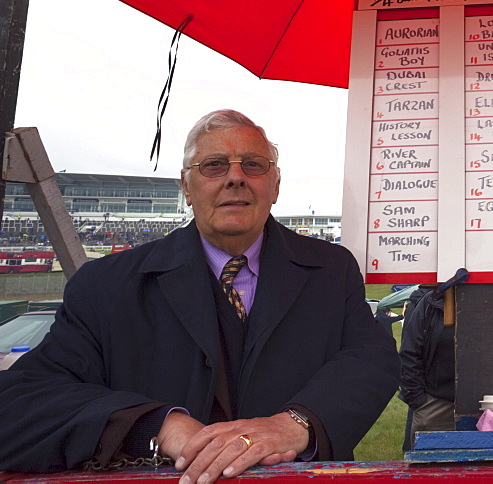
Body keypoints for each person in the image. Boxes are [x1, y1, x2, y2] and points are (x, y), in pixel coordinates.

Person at [0, 110, 400, 480]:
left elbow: (372, 358)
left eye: (254, 165)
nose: (236, 177)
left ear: (275, 185)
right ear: (186, 187)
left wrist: (296, 423)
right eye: (214, 165)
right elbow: (21, 402)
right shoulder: (105, 285)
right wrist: (155, 426)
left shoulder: (331, 270)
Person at [398, 285, 455, 450]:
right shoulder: (430, 302)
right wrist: (419, 401)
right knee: (432, 471)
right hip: (437, 405)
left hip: (486, 407)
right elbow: (410, 352)